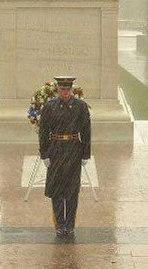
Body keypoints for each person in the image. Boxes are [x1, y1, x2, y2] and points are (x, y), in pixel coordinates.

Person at [38, 76, 91, 237]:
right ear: (58, 90)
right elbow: (43, 132)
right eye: (62, 89)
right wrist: (45, 153)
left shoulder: (80, 106)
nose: (65, 92)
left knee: (72, 190)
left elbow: (86, 131)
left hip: (74, 149)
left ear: (71, 90)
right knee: (57, 189)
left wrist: (85, 154)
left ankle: (70, 224)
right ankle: (60, 224)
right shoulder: (49, 107)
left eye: (68, 89)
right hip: (56, 150)